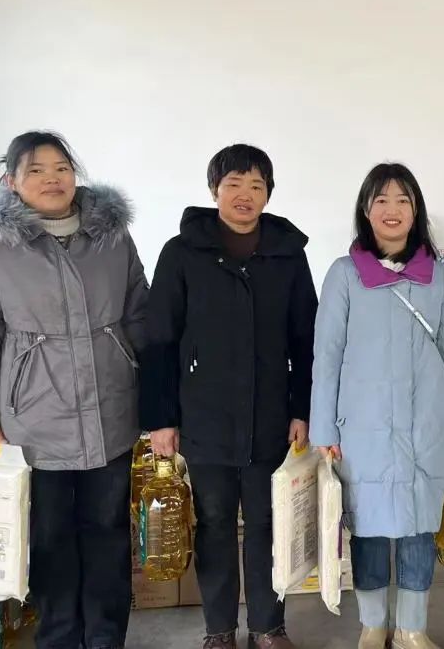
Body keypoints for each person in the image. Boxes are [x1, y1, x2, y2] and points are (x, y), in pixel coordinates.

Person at [0, 131, 148, 649]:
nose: (52, 179)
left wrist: (157, 398)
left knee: (108, 535)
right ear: (11, 182)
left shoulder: (111, 236)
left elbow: (140, 315)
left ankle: (105, 638)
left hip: (110, 411)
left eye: (61, 168)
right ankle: (59, 638)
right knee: (50, 538)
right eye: (35, 170)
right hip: (34, 417)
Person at [139, 144, 317, 649]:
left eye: (256, 185)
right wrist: (161, 419)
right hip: (205, 416)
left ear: (268, 194)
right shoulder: (182, 252)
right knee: (214, 523)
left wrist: (302, 409)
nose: (245, 195)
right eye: (234, 184)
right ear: (214, 189)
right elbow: (159, 339)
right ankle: (218, 631)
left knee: (267, 522)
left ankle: (268, 626)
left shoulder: (287, 253)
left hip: (270, 417)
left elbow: (307, 340)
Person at [310, 163, 444, 649]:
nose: (392, 209)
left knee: (421, 527)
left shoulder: (437, 276)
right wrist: (324, 429)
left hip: (426, 423)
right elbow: (327, 355)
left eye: (403, 200)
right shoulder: (344, 275)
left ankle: (412, 628)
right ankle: (373, 624)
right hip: (364, 427)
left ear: (416, 210)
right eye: (381, 200)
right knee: (369, 529)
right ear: (366, 209)